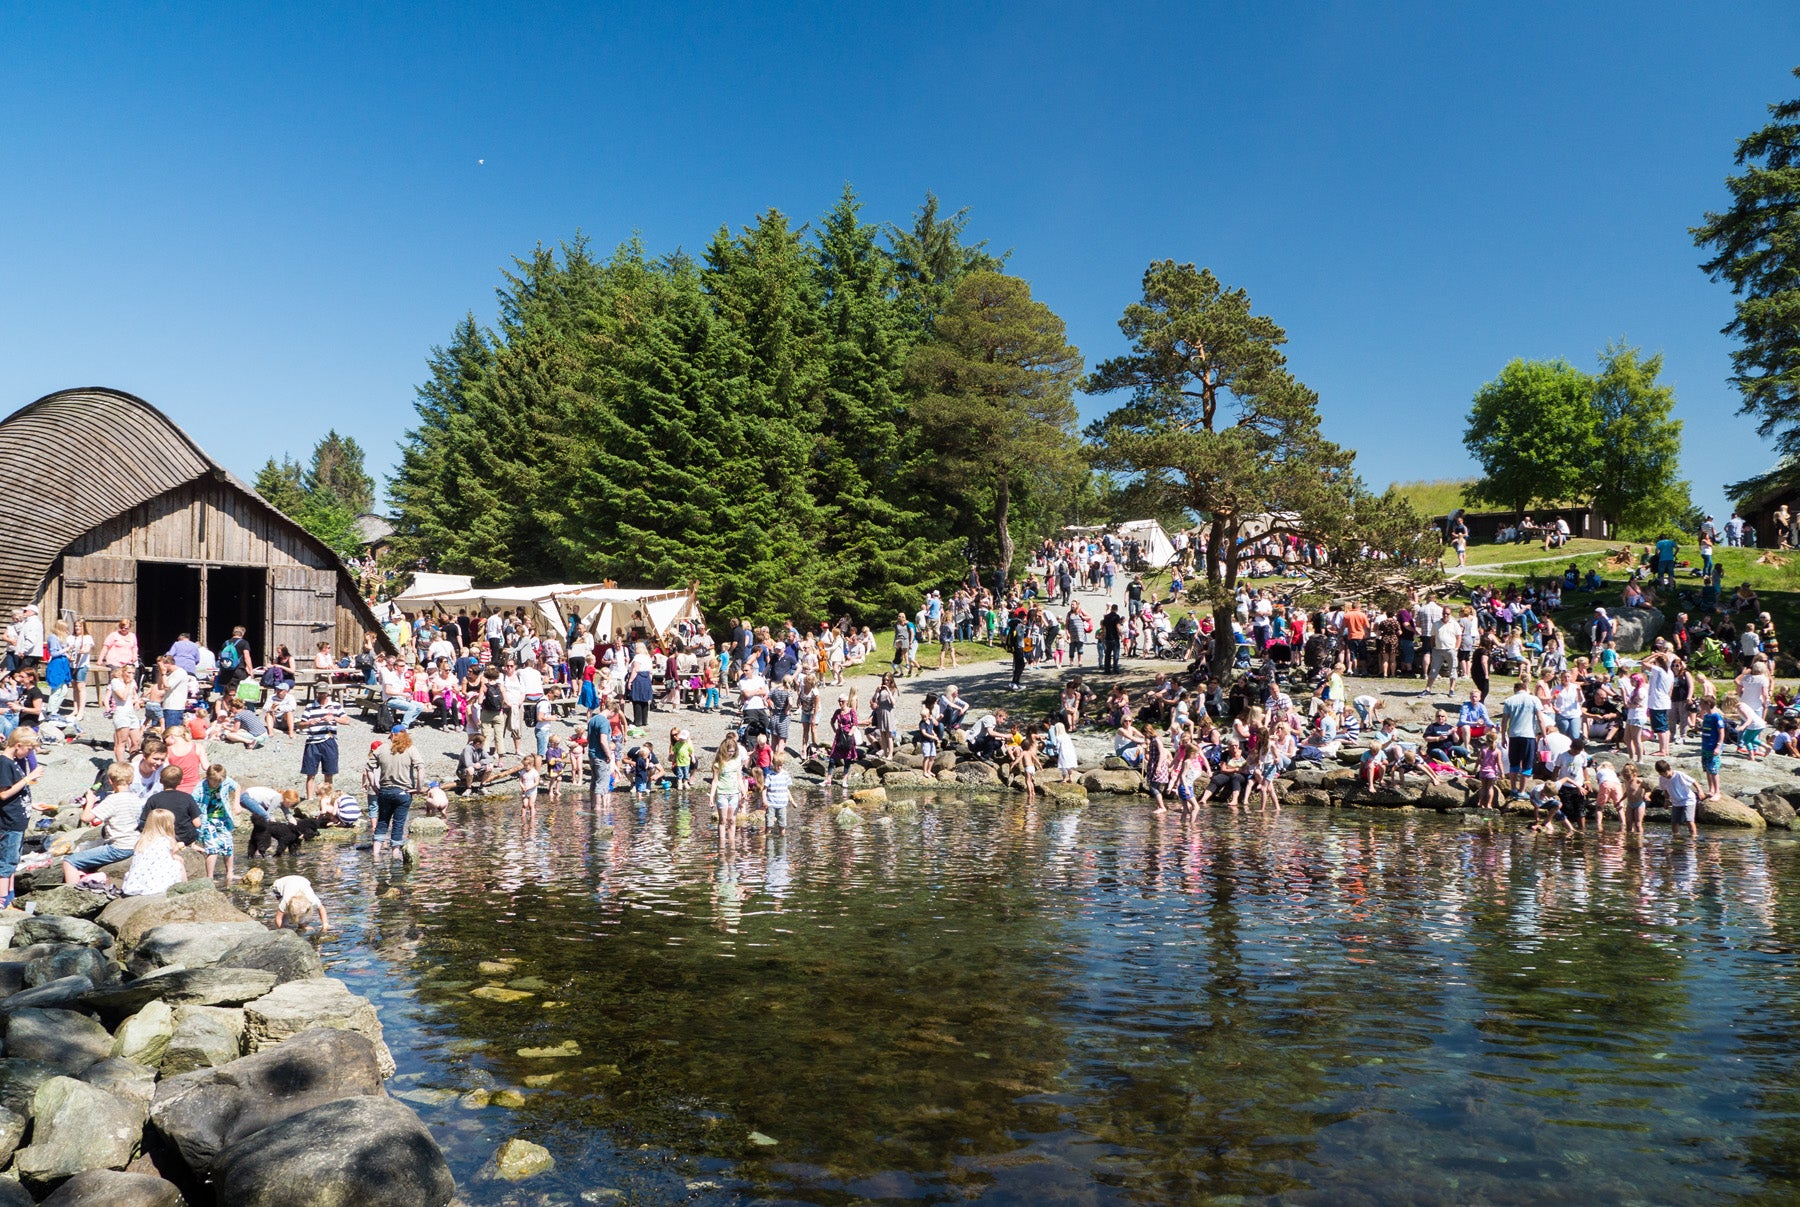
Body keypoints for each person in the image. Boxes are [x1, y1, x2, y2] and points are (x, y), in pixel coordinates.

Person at [62, 762, 142, 882]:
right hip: (134, 842)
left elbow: (86, 818)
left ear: (110, 781)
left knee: (69, 861)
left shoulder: (112, 800)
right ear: (131, 780)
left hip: (119, 847)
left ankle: (71, 891)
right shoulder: (136, 798)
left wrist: (90, 801)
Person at [368, 728, 423, 859]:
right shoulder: (411, 749)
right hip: (403, 792)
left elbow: (368, 768)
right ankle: (395, 854)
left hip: (385, 791)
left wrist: (374, 786)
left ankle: (375, 854)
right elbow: (421, 768)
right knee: (398, 823)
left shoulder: (381, 749)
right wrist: (419, 788)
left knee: (382, 821)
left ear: (392, 734)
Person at [121, 809, 186, 897]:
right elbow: (169, 856)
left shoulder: (142, 839)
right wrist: (177, 849)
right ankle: (185, 886)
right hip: (156, 879)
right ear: (168, 825)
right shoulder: (168, 840)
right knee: (179, 862)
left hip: (138, 879)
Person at [194, 764, 238, 883]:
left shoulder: (226, 781)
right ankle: (210, 877)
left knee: (228, 845)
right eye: (214, 782)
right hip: (207, 820)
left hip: (223, 819)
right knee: (212, 848)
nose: (217, 785)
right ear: (208, 778)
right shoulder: (200, 788)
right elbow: (192, 804)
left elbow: (237, 787)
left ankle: (230, 873)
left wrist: (236, 803)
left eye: (219, 782)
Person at [140, 763, 203, 846]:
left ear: (160, 780)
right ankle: (192, 845)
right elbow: (197, 823)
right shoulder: (187, 798)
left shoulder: (153, 799)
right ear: (181, 781)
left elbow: (145, 821)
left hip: (162, 837)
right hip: (185, 838)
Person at [299, 688, 345, 799]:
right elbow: (300, 724)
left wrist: (334, 718)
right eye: (319, 693)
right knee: (310, 773)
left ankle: (327, 797)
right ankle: (310, 798)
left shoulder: (335, 705)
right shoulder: (310, 706)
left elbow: (347, 720)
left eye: (323, 693)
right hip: (312, 741)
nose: (321, 695)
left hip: (329, 740)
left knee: (329, 772)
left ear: (327, 693)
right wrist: (309, 722)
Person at [710, 731, 746, 830]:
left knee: (732, 820)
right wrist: (712, 796)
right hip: (722, 793)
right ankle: (721, 844)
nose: (731, 753)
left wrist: (743, 792)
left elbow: (739, 778)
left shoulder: (736, 762)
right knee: (722, 821)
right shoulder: (718, 763)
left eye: (733, 751)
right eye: (729, 751)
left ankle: (732, 844)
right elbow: (715, 781)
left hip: (734, 793)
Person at [1657, 758, 1700, 838]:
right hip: (1676, 802)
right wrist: (1666, 800)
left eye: (1665, 773)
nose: (1664, 775)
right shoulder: (1662, 779)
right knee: (1674, 822)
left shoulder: (1679, 775)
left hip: (1688, 800)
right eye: (1662, 774)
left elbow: (1693, 781)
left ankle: (1694, 837)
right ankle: (1676, 837)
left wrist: (1700, 791)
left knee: (1689, 820)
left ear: (1669, 769)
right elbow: (1665, 789)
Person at [764, 749, 793, 830]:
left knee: (782, 825)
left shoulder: (785, 775)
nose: (779, 767)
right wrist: (764, 800)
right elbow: (764, 789)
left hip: (782, 804)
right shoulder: (770, 775)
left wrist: (792, 801)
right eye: (777, 765)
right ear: (773, 764)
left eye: (781, 765)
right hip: (771, 803)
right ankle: (768, 839)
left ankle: (782, 840)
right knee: (769, 825)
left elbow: (787, 789)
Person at [1099, 605, 1124, 674]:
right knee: (1116, 654)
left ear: (1111, 609)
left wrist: (1103, 636)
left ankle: (1107, 669)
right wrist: (1121, 635)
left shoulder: (1106, 617)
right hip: (1115, 638)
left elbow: (1104, 628)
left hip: (1108, 638)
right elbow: (1118, 626)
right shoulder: (1116, 617)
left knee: (1108, 655)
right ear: (1116, 609)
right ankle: (1115, 669)